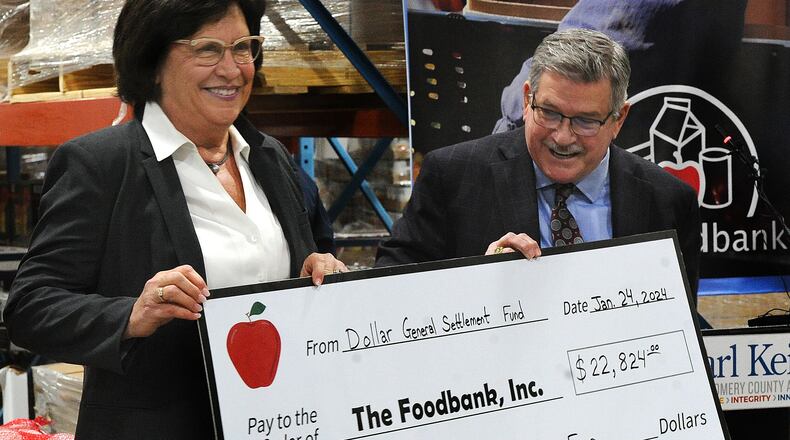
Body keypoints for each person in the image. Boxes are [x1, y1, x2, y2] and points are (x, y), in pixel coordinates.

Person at [3, 1, 346, 439]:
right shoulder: (101, 164)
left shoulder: (269, 157)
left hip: (278, 424)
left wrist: (321, 271)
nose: (232, 69)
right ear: (153, 62)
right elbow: (31, 307)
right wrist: (132, 314)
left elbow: (315, 260)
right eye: (207, 49)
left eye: (243, 48)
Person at [376, 28, 701, 300]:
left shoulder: (668, 201)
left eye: (586, 121)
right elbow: (388, 290)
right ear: (527, 99)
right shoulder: (452, 176)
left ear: (618, 120)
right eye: (549, 112)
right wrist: (477, 281)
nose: (562, 137)